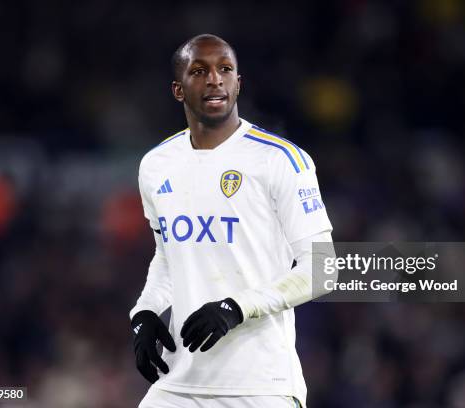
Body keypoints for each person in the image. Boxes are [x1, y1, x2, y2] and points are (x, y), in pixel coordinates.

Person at [130, 34, 334, 408]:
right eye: (199, 70)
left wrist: (237, 307)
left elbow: (322, 269)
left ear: (238, 83)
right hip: (180, 384)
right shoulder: (156, 166)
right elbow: (168, 255)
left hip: (260, 385)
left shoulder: (281, 160)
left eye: (225, 69)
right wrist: (144, 311)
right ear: (179, 89)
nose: (214, 79)